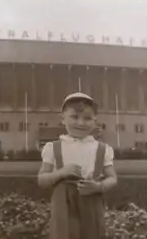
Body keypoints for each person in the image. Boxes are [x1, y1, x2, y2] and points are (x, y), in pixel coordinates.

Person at [38, 92, 118, 239]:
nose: (81, 123)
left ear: (95, 121)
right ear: (62, 119)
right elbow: (42, 179)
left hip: (91, 200)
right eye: (74, 117)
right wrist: (61, 173)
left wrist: (99, 186)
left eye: (87, 118)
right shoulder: (53, 147)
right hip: (63, 205)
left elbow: (112, 178)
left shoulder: (102, 149)